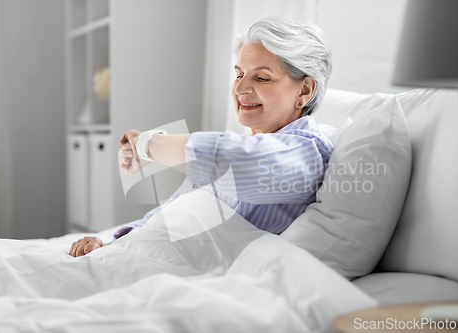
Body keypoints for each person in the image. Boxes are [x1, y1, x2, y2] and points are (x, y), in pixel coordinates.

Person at [69, 16, 333, 258]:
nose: (240, 88)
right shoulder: (246, 146)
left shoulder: (306, 152)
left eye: (262, 78)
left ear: (305, 91)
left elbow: (232, 163)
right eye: (239, 74)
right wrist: (108, 244)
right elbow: (169, 216)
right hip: (140, 261)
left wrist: (149, 145)